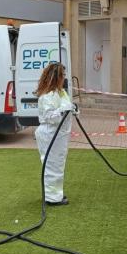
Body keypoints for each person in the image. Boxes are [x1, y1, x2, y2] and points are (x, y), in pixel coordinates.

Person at [35, 63, 77, 206]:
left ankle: (55, 194)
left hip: (59, 135)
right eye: (62, 76)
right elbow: (49, 116)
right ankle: (52, 198)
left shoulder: (61, 92)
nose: (64, 78)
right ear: (56, 77)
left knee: (57, 165)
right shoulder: (48, 96)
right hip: (50, 134)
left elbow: (67, 106)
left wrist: (72, 108)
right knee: (52, 166)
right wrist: (63, 110)